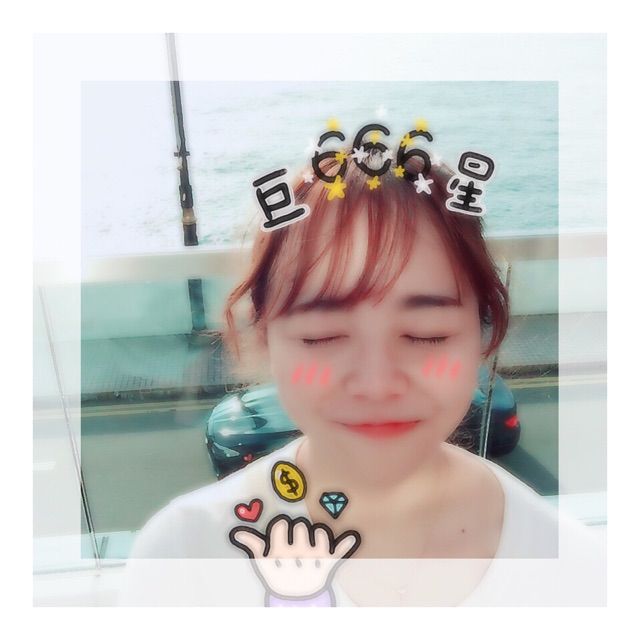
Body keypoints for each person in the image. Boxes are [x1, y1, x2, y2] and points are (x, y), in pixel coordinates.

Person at [118, 146, 604, 607]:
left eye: (427, 334)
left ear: (482, 335)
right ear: (265, 340)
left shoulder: (580, 574)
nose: (376, 384)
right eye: (322, 337)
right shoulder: (183, 560)